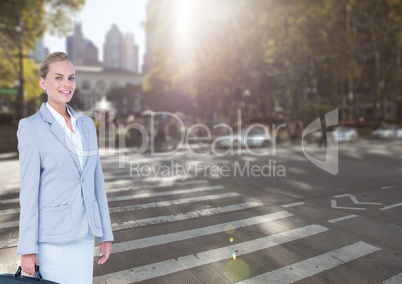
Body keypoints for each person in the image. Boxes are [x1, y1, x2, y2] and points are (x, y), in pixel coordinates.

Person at [17, 52, 114, 283]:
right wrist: (27, 248)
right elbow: (29, 192)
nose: (66, 84)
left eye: (71, 78)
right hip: (52, 239)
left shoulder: (86, 125)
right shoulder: (31, 127)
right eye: (58, 77)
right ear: (43, 82)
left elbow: (95, 181)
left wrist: (106, 234)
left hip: (85, 233)